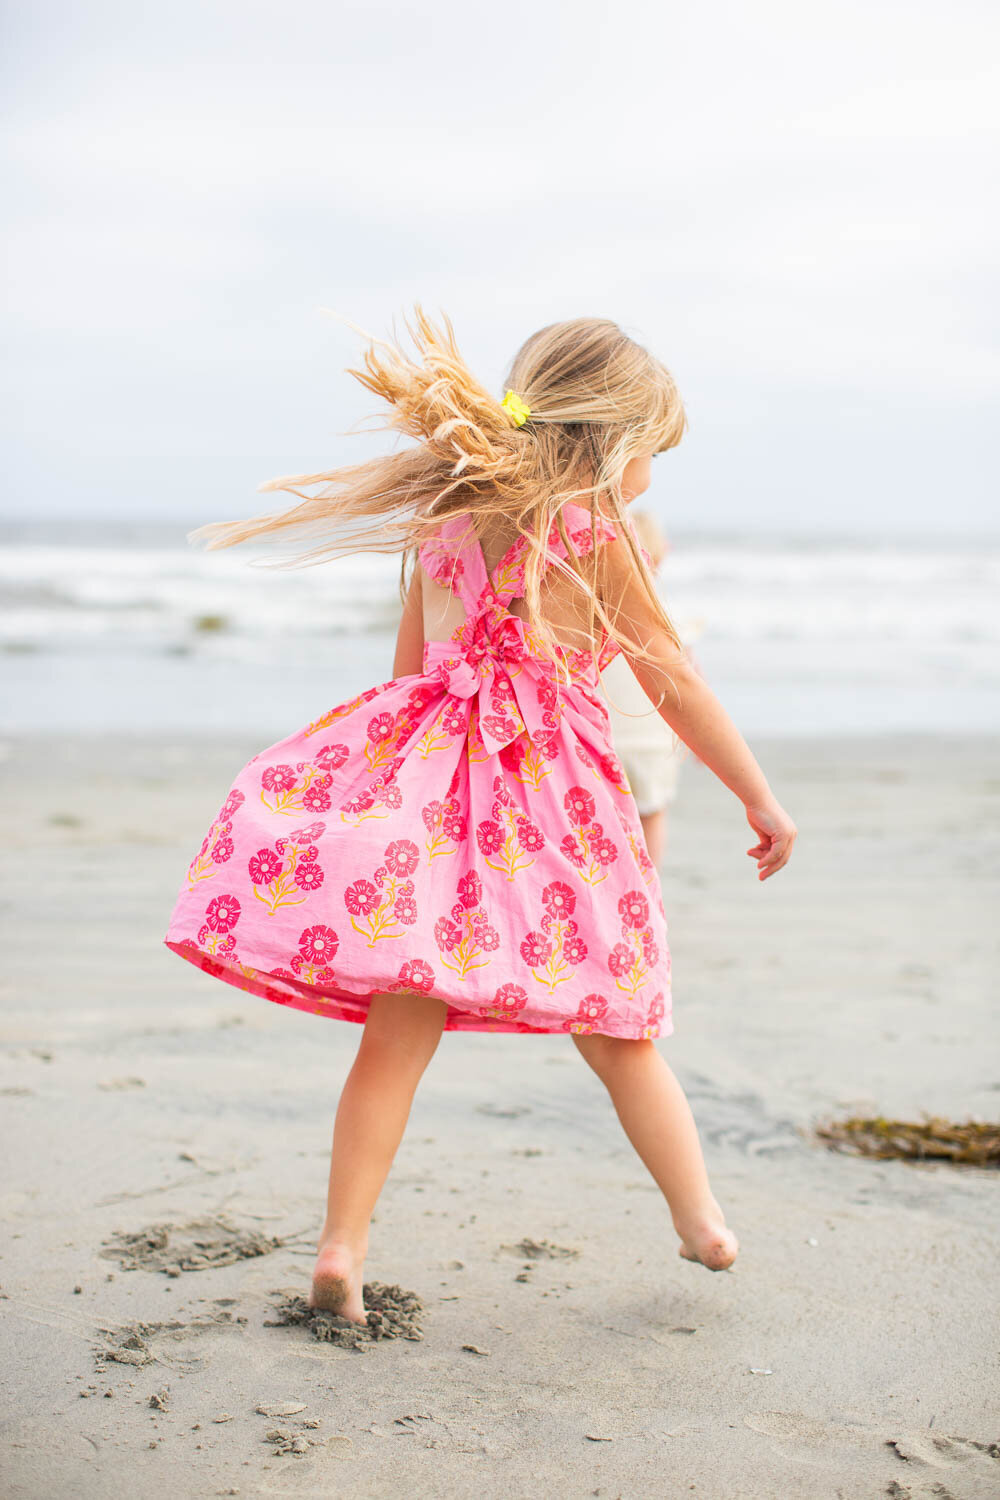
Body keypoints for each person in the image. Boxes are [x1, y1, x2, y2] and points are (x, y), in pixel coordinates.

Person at [163, 308, 797, 1323]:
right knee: (619, 1022)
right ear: (615, 441)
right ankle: (700, 1221)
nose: (650, 480)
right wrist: (756, 794)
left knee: (397, 1026)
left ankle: (340, 1246)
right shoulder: (599, 537)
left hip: (431, 788)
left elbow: (408, 675)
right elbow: (670, 677)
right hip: (552, 800)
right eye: (652, 456)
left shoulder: (442, 525)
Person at [599, 511, 697, 869]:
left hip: (602, 740)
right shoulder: (665, 609)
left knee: (608, 823)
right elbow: (690, 679)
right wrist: (701, 741)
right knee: (652, 815)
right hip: (654, 742)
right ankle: (648, 884)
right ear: (663, 551)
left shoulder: (595, 606)